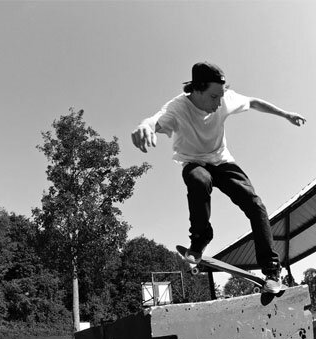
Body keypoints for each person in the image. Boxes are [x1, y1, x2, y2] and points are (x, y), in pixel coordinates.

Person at [131, 62, 306, 293]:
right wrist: (144, 126)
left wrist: (285, 114)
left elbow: (254, 102)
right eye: (214, 97)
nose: (219, 103)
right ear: (197, 90)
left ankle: (272, 271)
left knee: (256, 205)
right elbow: (155, 121)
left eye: (221, 96)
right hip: (194, 162)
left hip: (222, 161)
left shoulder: (224, 98)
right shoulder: (178, 107)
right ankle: (201, 238)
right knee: (199, 180)